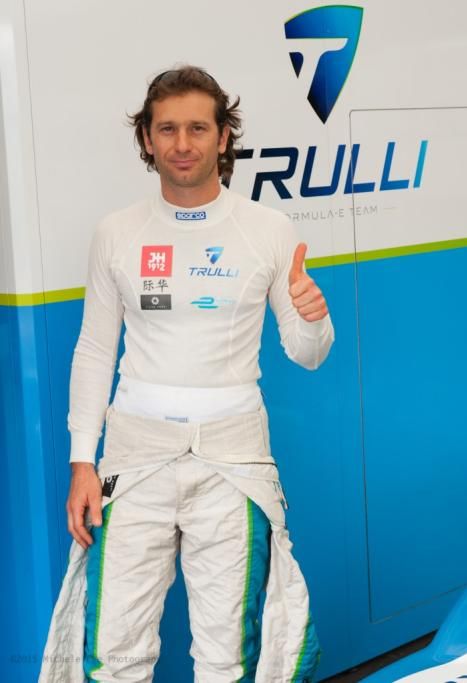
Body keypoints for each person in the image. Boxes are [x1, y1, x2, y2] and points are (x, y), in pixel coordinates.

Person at [40, 65, 335, 683]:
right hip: (134, 460)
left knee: (228, 660)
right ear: (146, 139)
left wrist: (314, 317)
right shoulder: (116, 232)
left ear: (223, 138)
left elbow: (307, 353)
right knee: (113, 655)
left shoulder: (268, 229)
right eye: (167, 129)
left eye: (198, 128)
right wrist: (81, 462)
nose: (182, 143)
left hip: (233, 462)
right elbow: (94, 349)